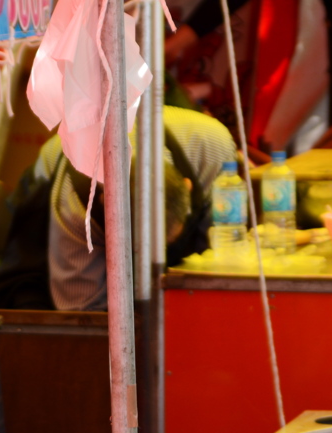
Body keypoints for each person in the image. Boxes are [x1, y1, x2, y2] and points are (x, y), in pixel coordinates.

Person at [41, 106, 236, 311]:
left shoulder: (212, 148)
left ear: (188, 187)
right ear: (106, 204)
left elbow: (228, 246)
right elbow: (82, 310)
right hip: (49, 180)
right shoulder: (75, 203)